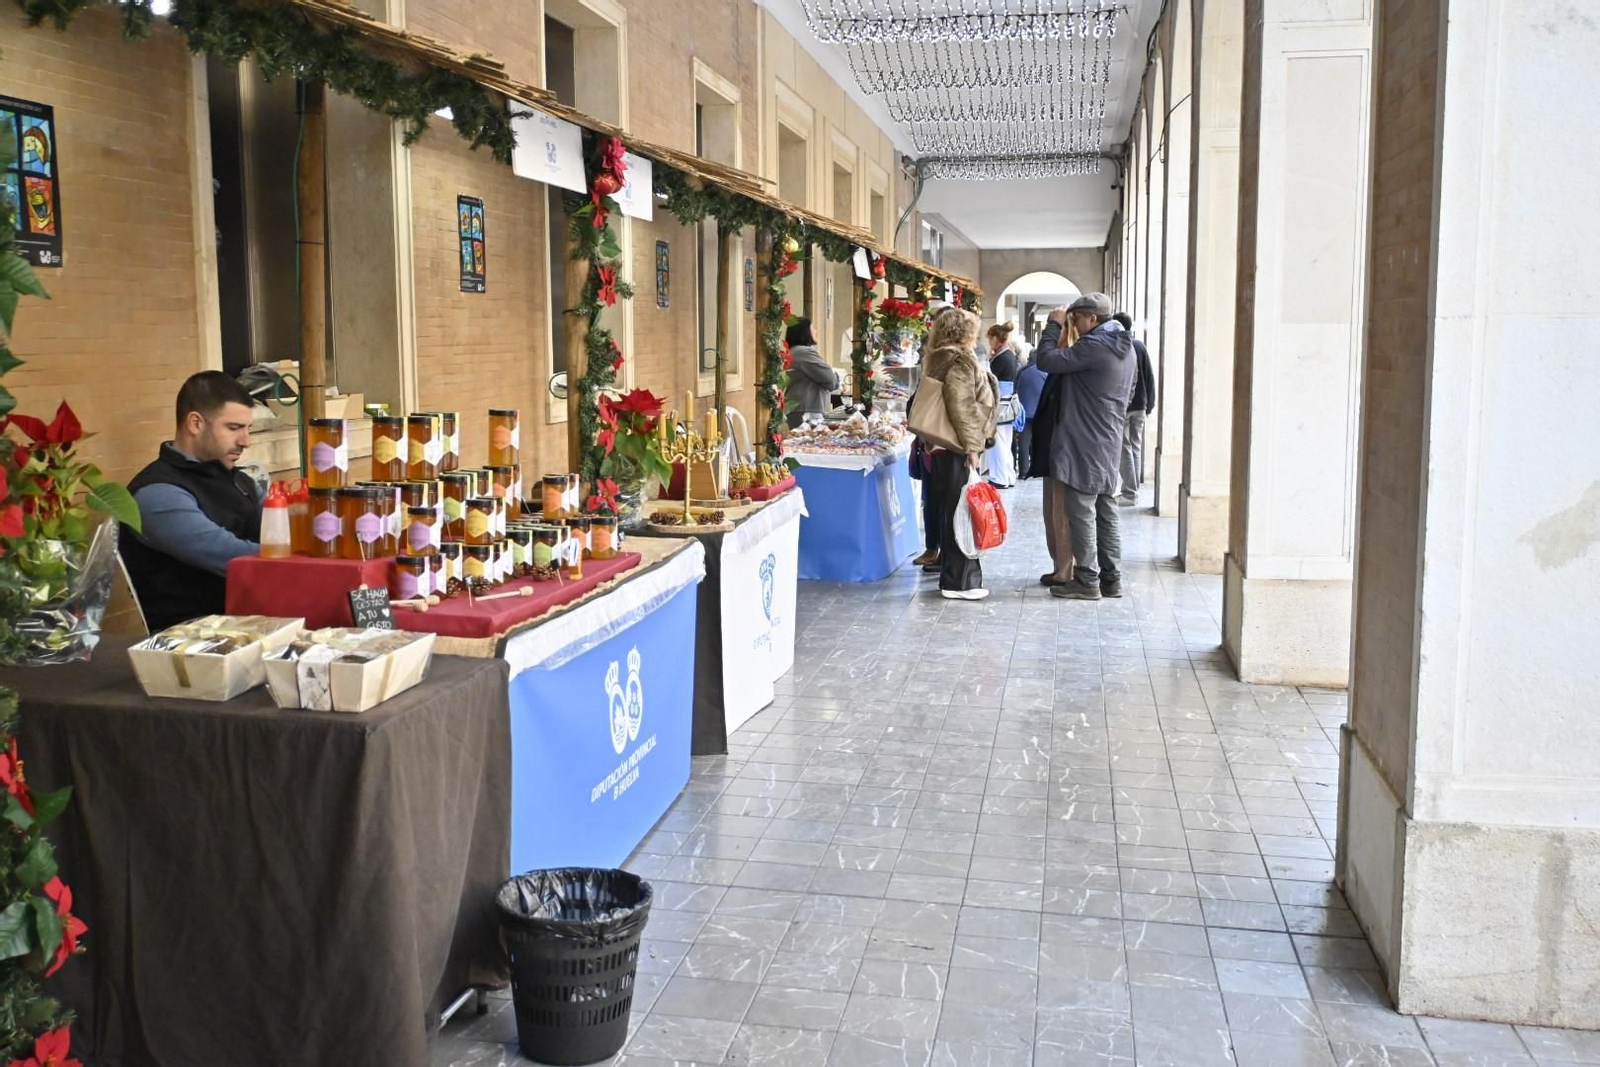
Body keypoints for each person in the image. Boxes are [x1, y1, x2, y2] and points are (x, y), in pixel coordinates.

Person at [122, 371, 265, 631]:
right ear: (195, 423)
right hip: (187, 640)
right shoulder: (156, 493)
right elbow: (230, 555)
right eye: (234, 428)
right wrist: (301, 554)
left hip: (251, 626)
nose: (246, 441)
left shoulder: (241, 482)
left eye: (248, 429)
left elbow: (285, 526)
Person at [1035, 292, 1136, 600]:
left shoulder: (1094, 346)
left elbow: (1046, 360)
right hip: (1108, 436)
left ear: (1093, 318)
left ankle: (1087, 579)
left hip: (1085, 439)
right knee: (1106, 508)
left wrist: (1053, 326)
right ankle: (1111, 579)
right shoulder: (1127, 347)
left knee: (1080, 509)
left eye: (1077, 319)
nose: (1075, 325)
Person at [917, 306, 999, 600]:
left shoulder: (937, 358)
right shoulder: (960, 360)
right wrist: (972, 447)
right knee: (961, 514)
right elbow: (961, 406)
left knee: (949, 511)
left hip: (940, 447)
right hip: (956, 447)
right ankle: (961, 582)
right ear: (965, 332)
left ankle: (953, 577)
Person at [1113, 312, 1156, 506]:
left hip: (1125, 405)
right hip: (1140, 405)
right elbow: (1149, 377)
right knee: (1134, 447)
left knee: (1124, 449)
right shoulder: (1139, 346)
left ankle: (1130, 493)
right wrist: (1150, 404)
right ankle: (1133, 490)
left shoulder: (1120, 347)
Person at [785, 317, 841, 427]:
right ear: (804, 332)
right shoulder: (803, 352)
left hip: (801, 410)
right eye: (813, 328)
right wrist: (837, 378)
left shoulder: (794, 352)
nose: (816, 331)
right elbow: (830, 379)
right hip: (807, 410)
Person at [1014, 347, 1047, 480]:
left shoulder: (1021, 372)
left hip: (1023, 413)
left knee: (1023, 442)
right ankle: (1038, 468)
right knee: (1040, 441)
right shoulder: (1044, 372)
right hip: (1040, 413)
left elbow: (1015, 389)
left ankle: (1023, 471)